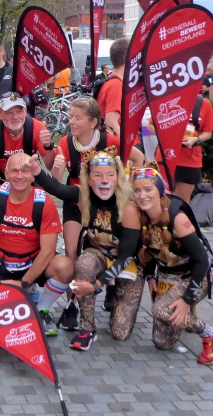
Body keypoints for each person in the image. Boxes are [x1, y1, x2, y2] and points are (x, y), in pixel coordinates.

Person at [26, 147, 144, 350]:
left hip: (126, 265)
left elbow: (125, 257)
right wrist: (36, 169)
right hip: (98, 255)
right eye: (97, 175)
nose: (104, 181)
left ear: (118, 178)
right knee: (84, 262)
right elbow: (57, 189)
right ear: (89, 179)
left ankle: (115, 293)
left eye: (110, 175)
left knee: (120, 332)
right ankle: (87, 328)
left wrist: (97, 285)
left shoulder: (128, 207)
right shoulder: (83, 196)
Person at [0, 152, 73, 336]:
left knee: (65, 266)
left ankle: (41, 309)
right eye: (14, 171)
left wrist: (23, 283)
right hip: (2, 262)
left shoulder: (44, 203)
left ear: (33, 175)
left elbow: (48, 251)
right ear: (6, 174)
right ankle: (21, 295)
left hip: (34, 262)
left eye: (25, 171)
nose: (20, 176)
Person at [55, 98, 144, 311]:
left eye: (78, 118)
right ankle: (72, 304)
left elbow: (138, 157)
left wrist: (129, 185)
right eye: (70, 117)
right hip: (76, 203)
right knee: (71, 252)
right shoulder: (65, 143)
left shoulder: (109, 140)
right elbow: (56, 184)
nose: (72, 122)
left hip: (105, 206)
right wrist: (57, 168)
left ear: (93, 121)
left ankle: (110, 285)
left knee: (106, 248)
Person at [131, 167, 213, 364]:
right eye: (137, 190)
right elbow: (149, 249)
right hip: (167, 277)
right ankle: (185, 313)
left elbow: (202, 260)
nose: (142, 195)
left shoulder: (177, 217)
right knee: (162, 343)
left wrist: (187, 299)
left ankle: (211, 334)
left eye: (148, 189)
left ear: (160, 191)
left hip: (194, 277)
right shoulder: (141, 216)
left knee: (160, 310)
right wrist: (150, 276)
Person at [148, 94, 213, 203]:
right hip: (166, 156)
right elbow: (150, 126)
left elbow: (208, 132)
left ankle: (180, 215)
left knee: (182, 201)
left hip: (190, 158)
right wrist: (169, 137)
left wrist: (196, 139)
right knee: (160, 196)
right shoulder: (167, 99)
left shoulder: (202, 103)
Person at [0, 92, 55, 183]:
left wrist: (48, 146)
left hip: (30, 178)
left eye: (19, 112)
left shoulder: (37, 127)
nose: (15, 117)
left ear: (25, 111)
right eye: (9, 113)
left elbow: (50, 166)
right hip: (3, 179)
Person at [95, 38, 130, 136]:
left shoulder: (112, 80)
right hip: (119, 141)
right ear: (128, 56)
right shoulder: (116, 85)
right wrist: (127, 143)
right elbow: (111, 122)